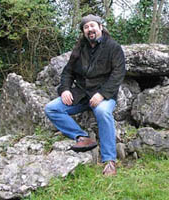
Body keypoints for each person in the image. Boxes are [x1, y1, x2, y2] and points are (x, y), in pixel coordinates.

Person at [45, 14, 126, 176]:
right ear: (83, 31)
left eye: (92, 26)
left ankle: (109, 160)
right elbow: (67, 72)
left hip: (104, 94)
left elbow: (118, 74)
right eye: (86, 27)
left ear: (100, 27)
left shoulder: (113, 47)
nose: (90, 29)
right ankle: (82, 137)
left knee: (103, 112)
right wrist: (65, 89)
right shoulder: (79, 48)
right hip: (81, 94)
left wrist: (102, 94)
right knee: (51, 108)